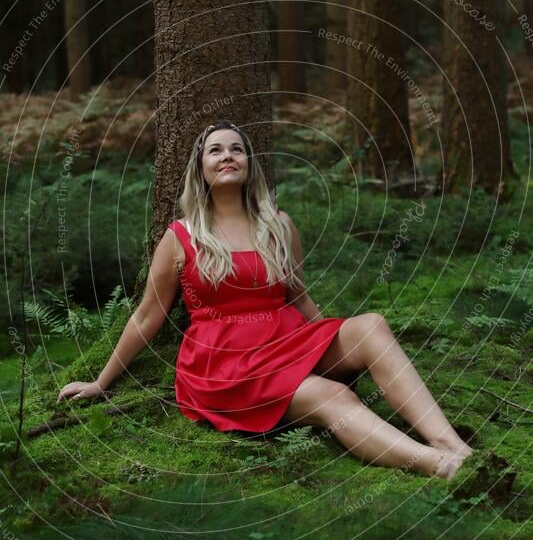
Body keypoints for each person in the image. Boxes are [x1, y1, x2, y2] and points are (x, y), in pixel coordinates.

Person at [57, 118, 474, 480]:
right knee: (333, 398)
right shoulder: (180, 237)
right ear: (200, 168)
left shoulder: (278, 225)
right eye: (215, 150)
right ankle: (440, 466)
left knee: (371, 326)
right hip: (225, 365)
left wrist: (333, 347)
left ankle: (456, 448)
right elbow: (148, 316)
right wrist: (100, 381)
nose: (227, 156)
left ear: (249, 164)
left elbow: (298, 295)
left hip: (283, 341)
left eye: (237, 149)